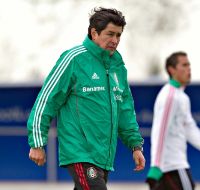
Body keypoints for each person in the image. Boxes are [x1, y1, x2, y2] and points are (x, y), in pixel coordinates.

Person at [27, 7, 145, 190]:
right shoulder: (73, 59)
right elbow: (46, 100)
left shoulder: (118, 66)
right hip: (80, 151)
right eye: (110, 34)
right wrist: (37, 143)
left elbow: (125, 110)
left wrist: (135, 145)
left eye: (119, 35)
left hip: (104, 156)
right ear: (94, 33)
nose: (115, 41)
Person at [146, 51, 200, 190]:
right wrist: (156, 166)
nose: (188, 68)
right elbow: (160, 131)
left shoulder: (182, 97)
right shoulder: (170, 96)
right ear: (171, 70)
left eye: (189, 65)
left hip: (174, 167)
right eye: (184, 65)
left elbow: (190, 129)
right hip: (171, 168)